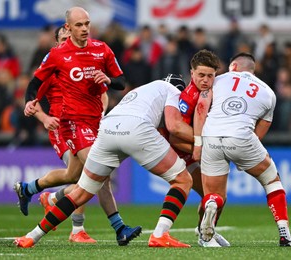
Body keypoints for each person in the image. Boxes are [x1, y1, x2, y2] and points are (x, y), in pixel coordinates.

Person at [14, 74, 194, 248]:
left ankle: (32, 236)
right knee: (182, 180)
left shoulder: (145, 89)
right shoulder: (174, 91)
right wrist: (203, 142)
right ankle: (160, 235)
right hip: (134, 128)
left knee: (80, 193)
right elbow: (174, 127)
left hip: (107, 128)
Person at [15, 7, 141, 245]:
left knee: (74, 175)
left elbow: (121, 81)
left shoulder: (101, 49)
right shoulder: (57, 55)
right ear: (68, 28)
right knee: (98, 171)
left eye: (87, 24)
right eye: (79, 25)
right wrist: (32, 104)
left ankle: (32, 190)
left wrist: (108, 80)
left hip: (95, 123)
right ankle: (116, 228)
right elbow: (35, 83)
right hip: (72, 123)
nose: (84, 29)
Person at [192, 52, 291, 248]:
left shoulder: (217, 80)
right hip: (242, 137)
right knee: (271, 180)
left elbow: (201, 108)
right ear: (253, 69)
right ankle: (285, 236)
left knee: (215, 195)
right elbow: (260, 130)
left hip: (211, 136)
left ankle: (206, 231)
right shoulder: (268, 92)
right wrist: (247, 153)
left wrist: (198, 143)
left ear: (233, 66)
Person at [161, 49, 229, 247]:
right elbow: (175, 136)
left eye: (210, 75)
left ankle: (206, 230)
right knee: (213, 195)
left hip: (196, 150)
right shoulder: (188, 97)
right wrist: (204, 145)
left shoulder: (212, 92)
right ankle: (204, 235)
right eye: (201, 75)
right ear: (192, 73)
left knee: (218, 197)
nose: (206, 80)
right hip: (183, 153)